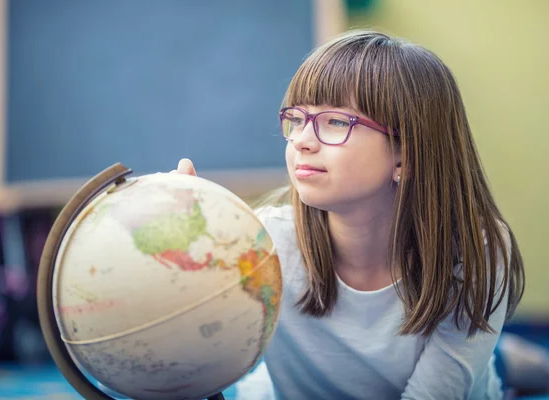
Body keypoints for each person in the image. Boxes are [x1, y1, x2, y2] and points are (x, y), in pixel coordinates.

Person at [173, 30, 531, 399]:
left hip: (457, 381)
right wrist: (187, 257)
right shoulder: (263, 241)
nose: (301, 140)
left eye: (336, 123)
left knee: (503, 365)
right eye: (296, 119)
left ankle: (508, 356)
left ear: (405, 154)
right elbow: (188, 351)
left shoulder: (475, 250)